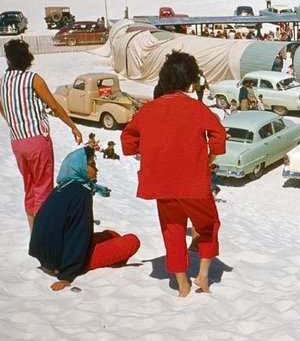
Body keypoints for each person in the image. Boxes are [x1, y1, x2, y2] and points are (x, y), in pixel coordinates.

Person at [121, 51, 226, 297]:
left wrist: (149, 150)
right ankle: (202, 276)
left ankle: (181, 284)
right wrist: (210, 156)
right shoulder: (197, 108)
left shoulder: (149, 110)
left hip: (162, 185)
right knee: (209, 225)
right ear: (188, 81)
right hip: (194, 184)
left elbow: (127, 142)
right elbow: (219, 136)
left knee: (173, 230)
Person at [29, 147, 140, 292]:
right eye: (92, 165)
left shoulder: (63, 187)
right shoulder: (81, 193)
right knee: (132, 241)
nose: (97, 169)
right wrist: (67, 276)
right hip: (61, 263)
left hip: (46, 257)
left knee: (111, 235)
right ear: (80, 167)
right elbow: (78, 234)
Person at [0, 39, 83, 231]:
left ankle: (34, 234)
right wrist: (72, 126)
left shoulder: (2, 81)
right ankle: (45, 239)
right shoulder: (32, 79)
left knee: (29, 188)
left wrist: (14, 122)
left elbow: (2, 107)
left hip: (18, 141)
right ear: (27, 58)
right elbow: (54, 105)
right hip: (37, 139)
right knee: (43, 188)